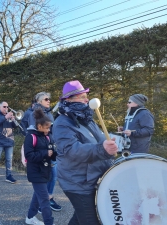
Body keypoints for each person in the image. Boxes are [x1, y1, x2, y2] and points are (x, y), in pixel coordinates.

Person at [52, 80, 118, 225]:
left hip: (94, 178)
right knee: (90, 220)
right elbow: (71, 150)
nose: (86, 99)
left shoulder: (87, 119)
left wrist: (113, 142)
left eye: (86, 95)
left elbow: (99, 140)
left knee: (81, 217)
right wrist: (103, 149)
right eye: (81, 96)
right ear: (68, 99)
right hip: (78, 183)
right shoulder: (62, 123)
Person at [27, 92, 62, 212]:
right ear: (39, 101)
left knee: (52, 176)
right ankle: (45, 200)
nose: (49, 101)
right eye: (46, 99)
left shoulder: (49, 113)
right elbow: (33, 133)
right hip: (43, 151)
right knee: (46, 178)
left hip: (51, 147)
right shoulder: (34, 114)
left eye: (49, 99)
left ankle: (46, 199)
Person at [24, 108, 56, 225]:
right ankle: (49, 222)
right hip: (35, 172)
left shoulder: (47, 136)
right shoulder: (30, 137)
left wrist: (55, 153)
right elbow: (29, 155)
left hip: (45, 171)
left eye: (49, 127)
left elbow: (51, 151)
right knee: (44, 199)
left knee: (37, 197)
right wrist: (45, 154)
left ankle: (30, 217)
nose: (49, 130)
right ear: (39, 126)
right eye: (47, 127)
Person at [0, 101, 18, 184]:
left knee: (9, 159)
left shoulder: (9, 116)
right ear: (0, 107)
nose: (6, 108)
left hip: (9, 139)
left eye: (7, 107)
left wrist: (13, 120)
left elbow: (15, 126)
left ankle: (9, 176)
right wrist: (5, 117)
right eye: (4, 107)